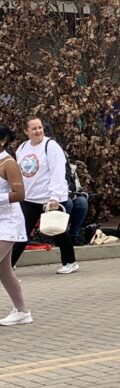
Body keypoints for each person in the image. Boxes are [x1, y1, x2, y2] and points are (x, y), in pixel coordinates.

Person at [10, 117, 79, 274]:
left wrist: (55, 196)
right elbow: (20, 173)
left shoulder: (51, 146)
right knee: (21, 231)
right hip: (29, 198)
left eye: (40, 127)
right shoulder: (22, 148)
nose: (38, 131)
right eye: (34, 128)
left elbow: (58, 172)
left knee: (57, 230)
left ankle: (70, 262)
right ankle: (9, 264)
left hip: (49, 198)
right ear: (26, 131)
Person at [0, 126, 30, 326]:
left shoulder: (8, 163)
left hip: (8, 222)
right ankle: (22, 311)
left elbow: (20, 194)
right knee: (4, 271)